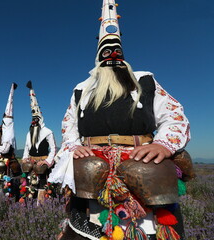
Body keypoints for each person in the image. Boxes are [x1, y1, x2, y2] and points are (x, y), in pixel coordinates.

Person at [48, 1, 191, 239]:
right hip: (92, 164)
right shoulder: (82, 88)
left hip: (142, 159)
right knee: (86, 215)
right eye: (106, 52)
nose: (112, 56)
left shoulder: (144, 79)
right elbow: (69, 124)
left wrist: (163, 144)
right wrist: (73, 146)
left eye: (116, 51)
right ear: (98, 56)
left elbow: (174, 115)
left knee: (151, 217)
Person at [21, 81, 56, 195]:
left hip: (43, 161)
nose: (34, 122)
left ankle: (43, 204)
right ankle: (28, 203)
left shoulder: (48, 132)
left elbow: (53, 148)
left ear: (40, 119)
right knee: (29, 183)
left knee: (42, 183)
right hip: (31, 161)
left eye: (36, 120)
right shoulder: (28, 133)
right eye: (33, 120)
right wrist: (25, 158)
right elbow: (26, 147)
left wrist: (47, 161)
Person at [0, 83, 21, 189]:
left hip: (8, 160)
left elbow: (5, 149)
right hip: (4, 158)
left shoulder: (9, 133)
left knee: (7, 180)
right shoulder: (6, 132)